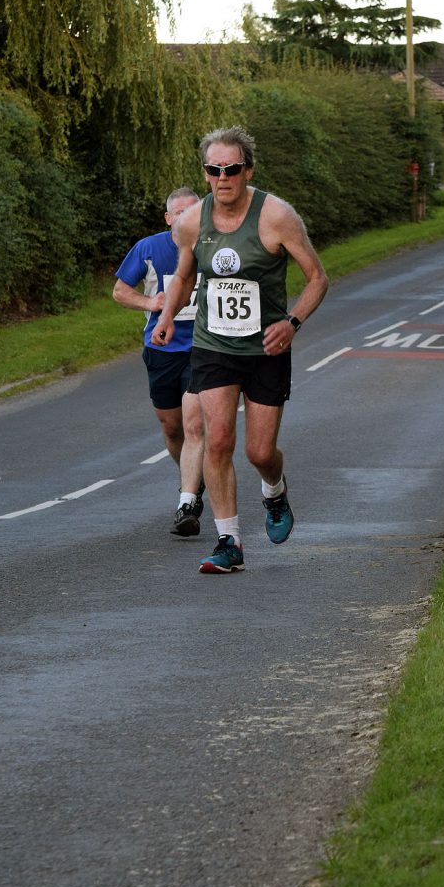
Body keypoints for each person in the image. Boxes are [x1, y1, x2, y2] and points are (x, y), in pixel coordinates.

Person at [152, 125, 329, 574]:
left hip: (266, 348)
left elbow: (318, 279)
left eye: (231, 169)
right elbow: (187, 277)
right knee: (218, 442)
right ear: (206, 173)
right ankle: (229, 542)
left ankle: (274, 490)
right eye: (214, 169)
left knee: (259, 453)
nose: (222, 177)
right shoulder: (192, 222)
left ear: (247, 170)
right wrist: (169, 316)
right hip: (213, 346)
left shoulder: (277, 217)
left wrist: (291, 323)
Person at [113, 187, 206, 536]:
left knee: (196, 425)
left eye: (192, 211)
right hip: (162, 349)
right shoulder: (149, 248)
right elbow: (120, 290)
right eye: (178, 213)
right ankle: (191, 477)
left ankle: (188, 501)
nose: (184, 218)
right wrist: (151, 305)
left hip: (204, 349)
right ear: (168, 218)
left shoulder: (212, 247)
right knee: (172, 428)